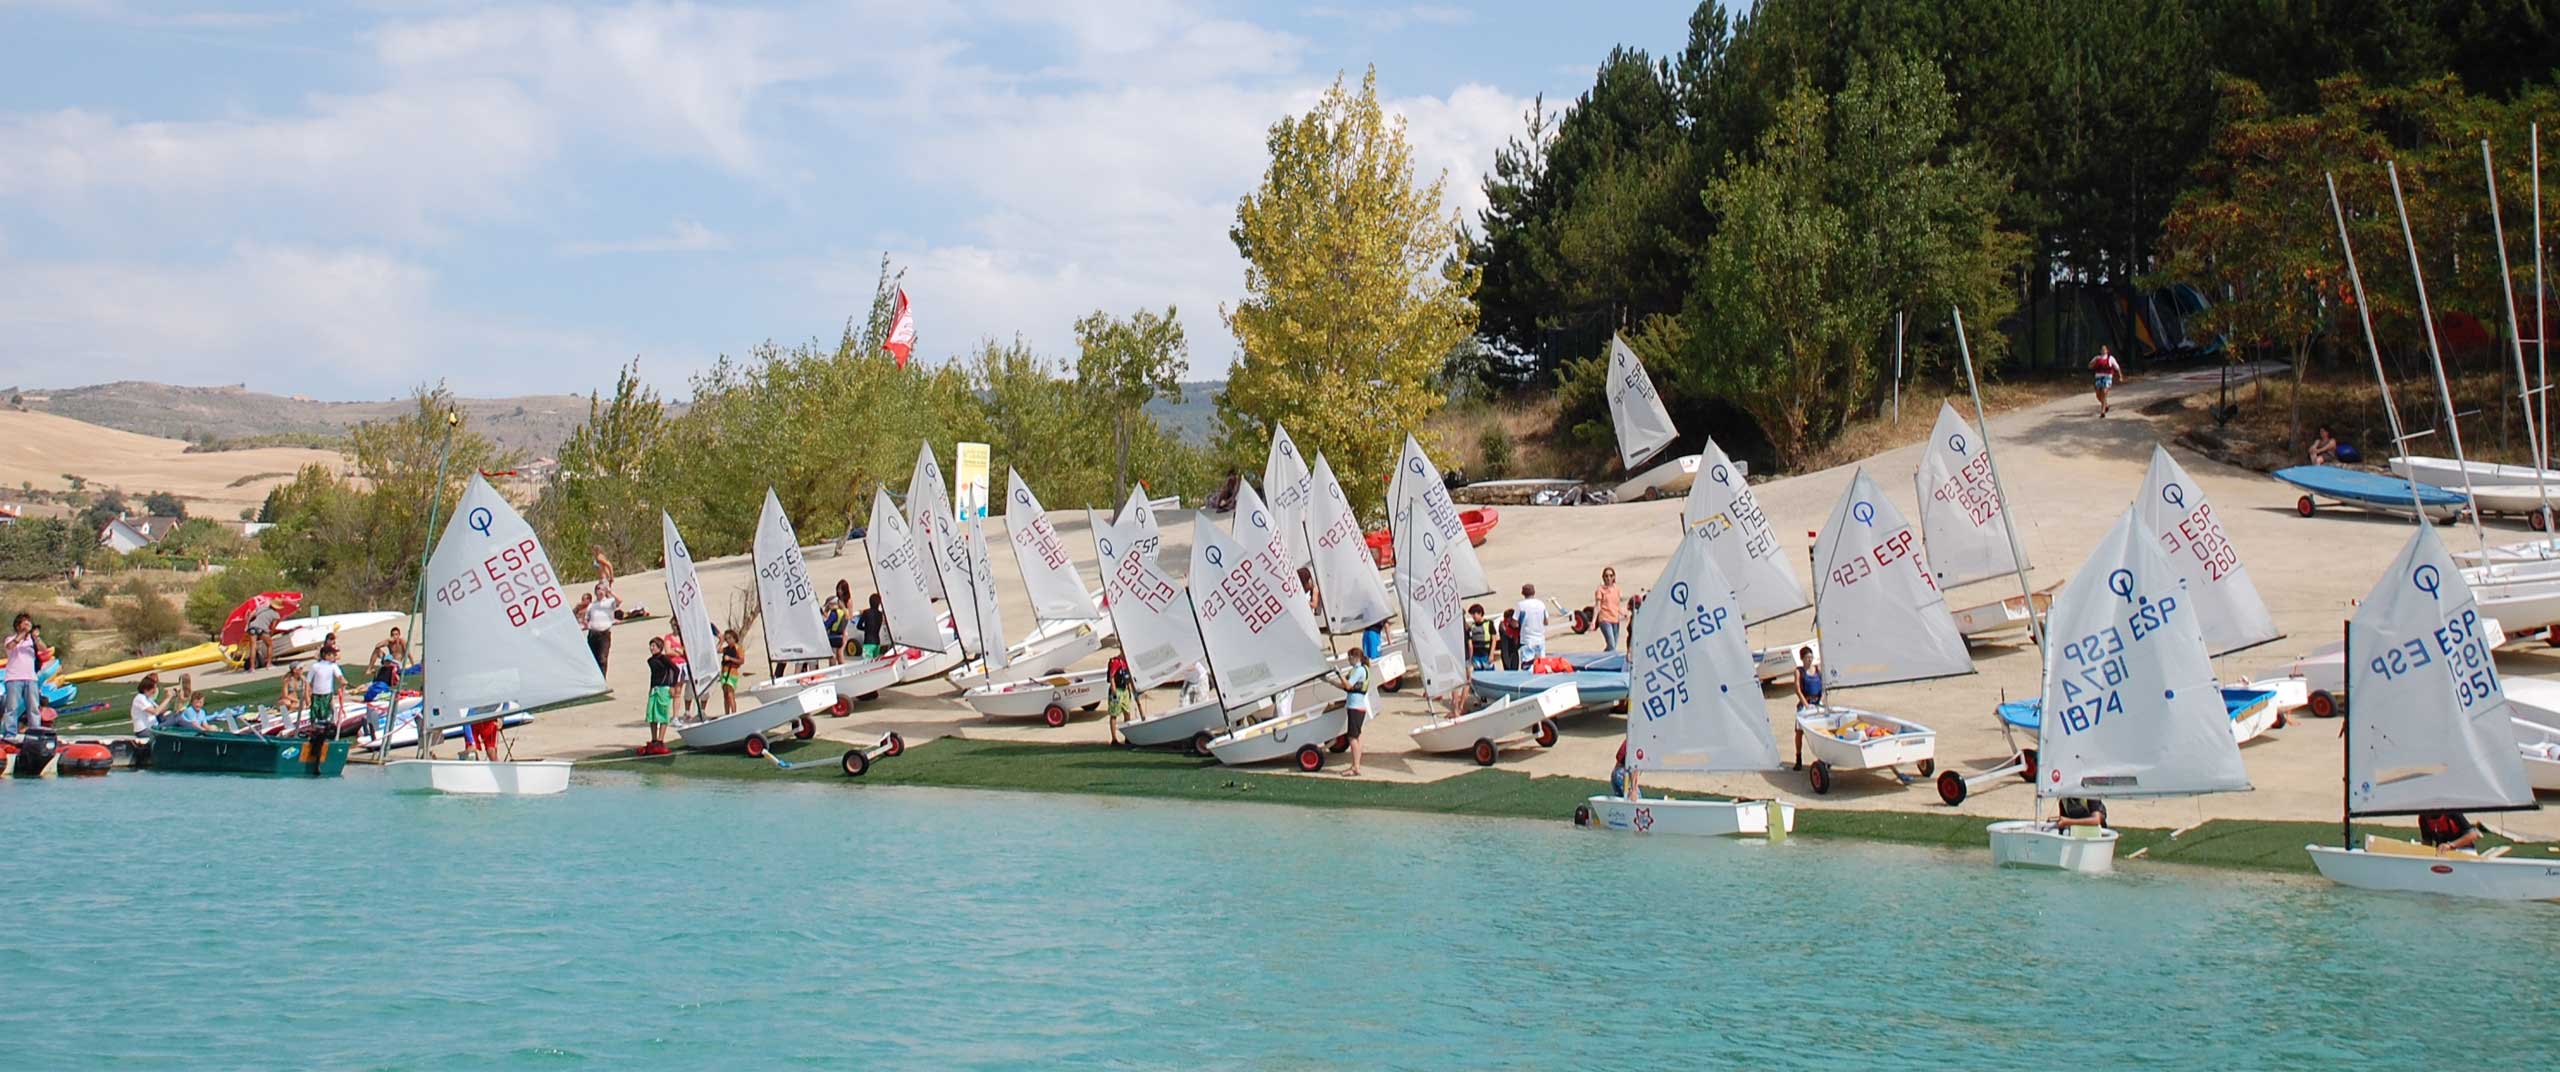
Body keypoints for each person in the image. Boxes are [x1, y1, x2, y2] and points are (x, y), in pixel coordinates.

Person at [1325, 647, 1372, 776]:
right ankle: (1356, 765)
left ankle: (1356, 767)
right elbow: (1345, 686)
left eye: (1349, 658)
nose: (1348, 660)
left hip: (1356, 708)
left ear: (1355, 657)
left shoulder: (1359, 670)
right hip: (1357, 707)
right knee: (1356, 737)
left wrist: (1339, 674)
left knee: (1352, 738)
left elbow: (1348, 685)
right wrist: (1330, 681)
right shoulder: (1360, 669)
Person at [4, 612, 39, 737]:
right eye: (25, 622)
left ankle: (35, 733)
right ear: (18, 625)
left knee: (33, 708)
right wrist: (23, 633)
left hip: (31, 679)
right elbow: (10, 647)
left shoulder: (32, 641)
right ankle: (10, 733)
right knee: (12, 708)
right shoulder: (10, 639)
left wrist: (36, 638)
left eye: (29, 622)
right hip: (14, 678)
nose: (28, 624)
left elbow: (44, 649)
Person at [642, 636, 678, 755]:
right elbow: (653, 676)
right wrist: (651, 688)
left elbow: (675, 670)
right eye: (651, 646)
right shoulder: (650, 661)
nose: (651, 648)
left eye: (654, 646)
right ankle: (654, 739)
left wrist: (673, 686)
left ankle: (661, 740)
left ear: (660, 648)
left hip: (664, 688)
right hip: (655, 689)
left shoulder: (664, 659)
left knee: (662, 713)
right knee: (652, 714)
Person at [1791, 646, 1823, 770]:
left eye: (1811, 657)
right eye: (1807, 658)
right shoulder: (1799, 671)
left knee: (1821, 731)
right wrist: (1806, 705)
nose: (1809, 660)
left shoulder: (1817, 670)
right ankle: (1798, 758)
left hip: (1817, 704)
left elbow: (1823, 686)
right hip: (1805, 705)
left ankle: (1823, 758)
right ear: (1802, 659)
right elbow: (1797, 689)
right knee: (1799, 732)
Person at [305, 642, 346, 732]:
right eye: (331, 654)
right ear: (325, 655)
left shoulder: (333, 666)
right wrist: (307, 696)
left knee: (326, 711)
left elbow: (339, 675)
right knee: (315, 710)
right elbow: (308, 681)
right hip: (316, 694)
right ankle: (314, 726)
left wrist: (342, 681)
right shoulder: (315, 666)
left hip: (327, 694)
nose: (334, 656)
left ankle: (327, 726)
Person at [583, 580, 618, 673]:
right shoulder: (591, 605)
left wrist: (610, 592)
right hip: (593, 634)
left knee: (602, 659)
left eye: (602, 589)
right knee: (593, 659)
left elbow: (619, 601)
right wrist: (586, 624)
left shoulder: (609, 602)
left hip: (604, 634)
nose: (600, 591)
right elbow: (586, 618)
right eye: (598, 589)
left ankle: (602, 680)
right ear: (595, 592)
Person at [1104, 653, 1136, 746]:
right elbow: (1112, 676)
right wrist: (1113, 688)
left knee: (1127, 712)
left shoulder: (1126, 661)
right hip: (1117, 690)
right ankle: (1114, 739)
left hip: (1125, 689)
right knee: (1114, 714)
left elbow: (1128, 676)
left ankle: (1128, 737)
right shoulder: (1116, 662)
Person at [1513, 584, 1549, 664]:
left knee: (1527, 666)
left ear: (1523, 593)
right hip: (1540, 639)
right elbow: (1546, 622)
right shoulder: (1541, 604)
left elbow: (1515, 623)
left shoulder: (1520, 605)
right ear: (1534, 592)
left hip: (1527, 640)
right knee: (1541, 665)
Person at [2417, 809, 2482, 853]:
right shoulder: (2423, 818)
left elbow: (2473, 835)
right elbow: (2426, 841)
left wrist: (2450, 845)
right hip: (2441, 852)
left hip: (2464, 849)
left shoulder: (2452, 812)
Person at [1593, 568, 1626, 653]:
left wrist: (1624, 613)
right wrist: (1593, 622)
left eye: (1611, 576)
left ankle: (1604, 657)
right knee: (1611, 645)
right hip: (1605, 619)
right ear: (1603, 577)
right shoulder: (1600, 590)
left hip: (1615, 619)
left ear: (1614, 577)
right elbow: (1597, 606)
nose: (1608, 578)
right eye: (1606, 576)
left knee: (1613, 645)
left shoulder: (1617, 589)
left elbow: (1616, 605)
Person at [130, 672, 172, 738]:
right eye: (153, 689)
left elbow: (161, 710)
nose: (155, 691)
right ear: (146, 690)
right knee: (175, 721)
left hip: (153, 727)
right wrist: (168, 698)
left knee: (174, 718)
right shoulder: (140, 698)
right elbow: (155, 712)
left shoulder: (148, 699)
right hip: (144, 730)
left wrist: (169, 698)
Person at [2089, 345, 2124, 418]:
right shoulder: (2097, 358)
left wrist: (2120, 376)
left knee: (2104, 392)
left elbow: (2117, 367)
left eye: (2104, 349)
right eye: (2102, 349)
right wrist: (2093, 363)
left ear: (2107, 351)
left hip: (2107, 377)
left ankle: (2102, 411)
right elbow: (2090, 366)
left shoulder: (2110, 358)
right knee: (2098, 395)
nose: (2103, 351)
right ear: (2100, 351)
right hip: (2098, 377)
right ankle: (2106, 405)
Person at [246, 599, 282, 669]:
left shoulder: (261, 608)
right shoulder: (276, 615)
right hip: (262, 629)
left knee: (253, 647)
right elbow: (273, 627)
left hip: (252, 627)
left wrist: (247, 623)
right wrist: (270, 634)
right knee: (269, 645)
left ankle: (252, 668)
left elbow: (252, 614)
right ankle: (269, 664)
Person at [717, 628, 746, 716]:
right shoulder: (726, 649)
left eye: (730, 638)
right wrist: (721, 641)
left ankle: (733, 714)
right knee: (725, 695)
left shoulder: (738, 648)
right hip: (724, 673)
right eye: (726, 639)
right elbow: (717, 650)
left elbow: (741, 661)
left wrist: (730, 659)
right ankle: (727, 714)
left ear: (734, 638)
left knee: (730, 694)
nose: (728, 640)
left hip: (732, 673)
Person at [824, 580, 853, 662]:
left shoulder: (848, 601)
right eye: (838, 589)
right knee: (833, 654)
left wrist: (841, 608)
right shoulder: (835, 600)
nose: (839, 591)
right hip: (834, 628)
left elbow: (849, 616)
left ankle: (843, 669)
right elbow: (827, 614)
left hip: (843, 629)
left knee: (840, 653)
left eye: (841, 589)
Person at [1466, 604, 1495, 670]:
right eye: (1472, 614)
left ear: (1480, 613)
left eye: (1474, 614)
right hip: (1476, 655)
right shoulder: (1472, 626)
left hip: (1486, 654)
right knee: (1478, 674)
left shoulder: (1489, 623)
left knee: (1490, 674)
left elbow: (1494, 640)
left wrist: (1491, 654)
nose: (1473, 616)